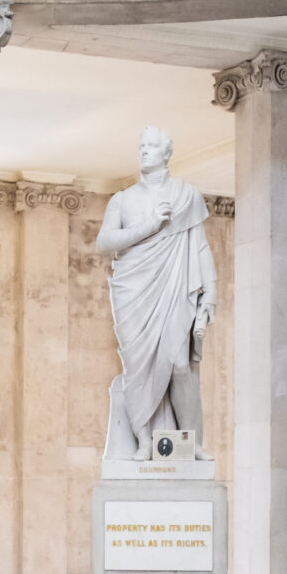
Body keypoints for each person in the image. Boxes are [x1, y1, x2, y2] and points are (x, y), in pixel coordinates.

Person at [97, 125, 218, 462]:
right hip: (132, 289)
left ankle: (192, 442)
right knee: (136, 366)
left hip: (174, 287)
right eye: (141, 146)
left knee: (179, 364)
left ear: (167, 154)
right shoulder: (123, 199)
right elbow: (104, 242)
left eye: (152, 146)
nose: (144, 151)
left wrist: (210, 295)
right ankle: (145, 439)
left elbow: (201, 248)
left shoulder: (186, 196)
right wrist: (149, 226)